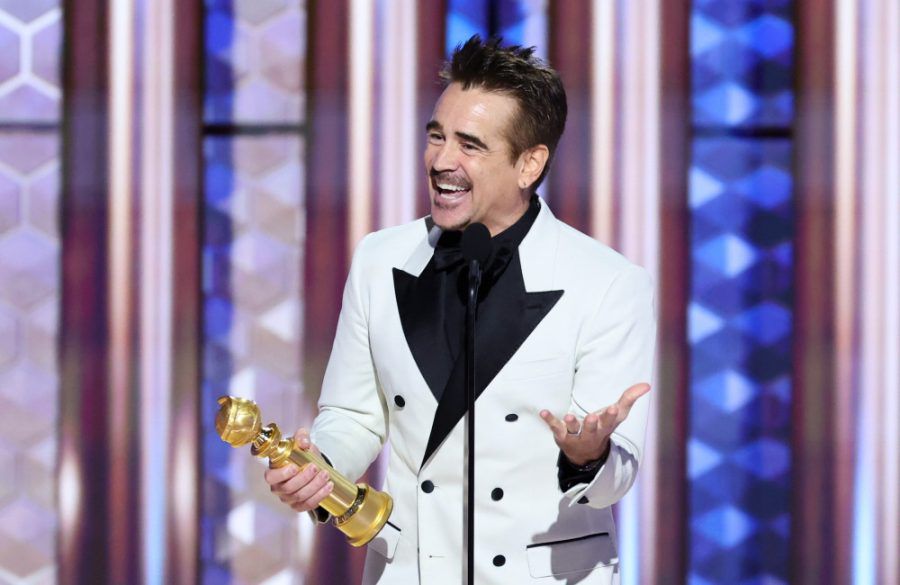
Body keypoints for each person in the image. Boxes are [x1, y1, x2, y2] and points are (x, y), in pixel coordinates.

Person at [265, 36, 656, 584]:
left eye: (469, 145)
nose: (441, 161)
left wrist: (589, 454)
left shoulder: (608, 283)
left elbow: (617, 477)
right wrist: (319, 468)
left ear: (529, 164)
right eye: (436, 136)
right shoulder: (381, 259)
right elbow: (353, 416)